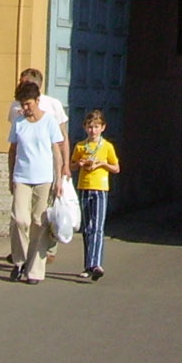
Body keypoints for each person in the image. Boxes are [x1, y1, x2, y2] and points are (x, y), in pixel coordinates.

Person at [6, 67, 67, 267]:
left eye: (28, 104)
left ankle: (35, 269)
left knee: (39, 223)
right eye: (22, 104)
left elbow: (58, 146)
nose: (25, 108)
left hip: (44, 177)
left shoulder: (51, 113)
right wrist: (10, 176)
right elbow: (13, 149)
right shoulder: (18, 119)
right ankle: (20, 261)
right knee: (20, 220)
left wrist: (61, 174)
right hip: (22, 176)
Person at [72, 108, 119, 282]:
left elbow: (116, 167)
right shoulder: (81, 146)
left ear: (103, 128)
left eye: (96, 127)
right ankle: (88, 265)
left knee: (97, 227)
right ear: (85, 127)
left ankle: (96, 264)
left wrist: (102, 164)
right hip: (84, 187)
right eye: (90, 127)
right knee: (87, 228)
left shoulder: (107, 147)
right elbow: (72, 165)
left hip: (100, 188)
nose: (93, 130)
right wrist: (80, 163)